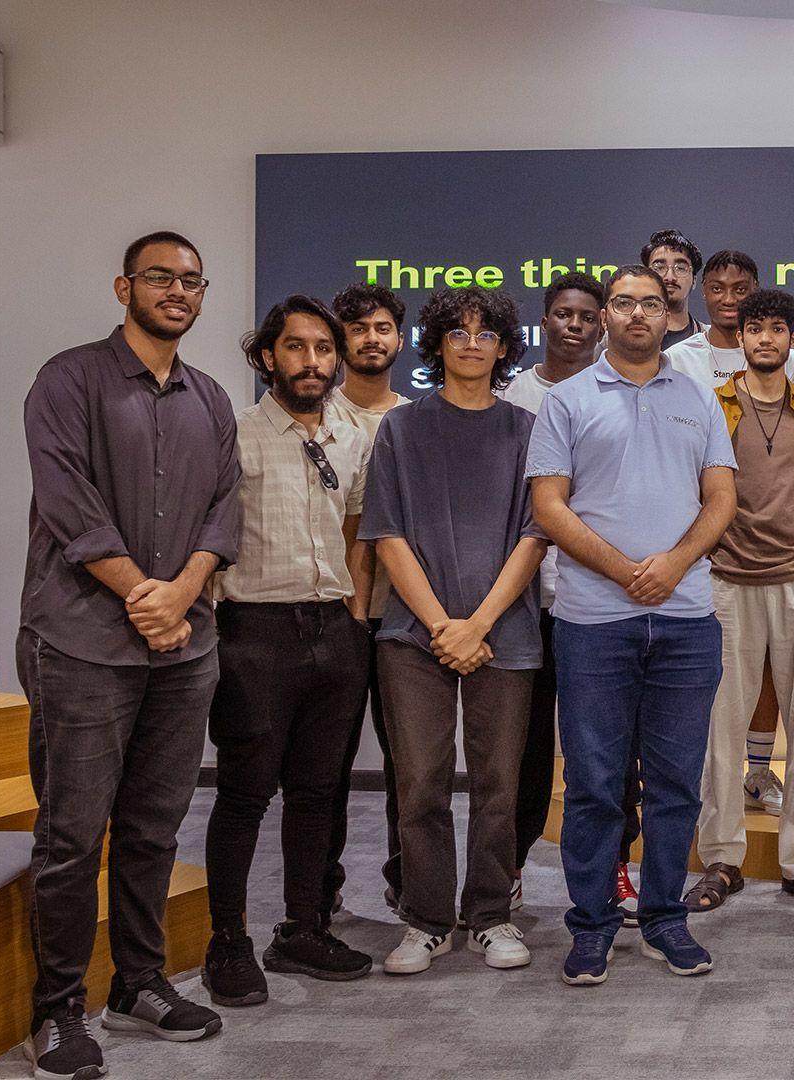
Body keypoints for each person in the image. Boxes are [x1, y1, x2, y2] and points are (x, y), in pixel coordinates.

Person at [18, 231, 234, 1078]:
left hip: (184, 648)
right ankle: (57, 1010)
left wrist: (180, 595)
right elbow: (69, 502)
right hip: (80, 644)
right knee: (72, 837)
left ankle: (138, 983)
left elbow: (224, 511)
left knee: (152, 828)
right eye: (160, 278)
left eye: (191, 281)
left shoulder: (211, 398)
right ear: (124, 287)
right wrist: (144, 597)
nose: (177, 291)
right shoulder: (67, 380)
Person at [527, 265, 735, 983]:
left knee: (677, 784)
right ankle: (589, 926)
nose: (639, 314)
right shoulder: (569, 399)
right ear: (606, 315)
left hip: (684, 618)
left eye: (652, 303)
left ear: (670, 317)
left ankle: (665, 920)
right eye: (624, 303)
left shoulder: (699, 396)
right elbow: (549, 507)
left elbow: (720, 499)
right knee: (592, 782)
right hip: (594, 622)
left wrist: (673, 564)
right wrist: (625, 570)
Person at [361, 287, 546, 976]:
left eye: (486, 332)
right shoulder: (403, 430)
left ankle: (491, 916)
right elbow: (386, 533)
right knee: (421, 783)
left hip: (506, 632)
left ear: (504, 346)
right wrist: (445, 626)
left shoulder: (528, 430)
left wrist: (481, 623)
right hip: (417, 637)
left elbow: (535, 535)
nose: (472, 342)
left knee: (500, 784)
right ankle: (427, 919)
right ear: (436, 343)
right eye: (458, 331)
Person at [201, 296, 376, 1010]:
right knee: (244, 793)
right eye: (296, 347)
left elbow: (360, 529)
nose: (313, 361)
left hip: (335, 629)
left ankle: (302, 929)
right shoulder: (232, 434)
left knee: (318, 792)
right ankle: (227, 941)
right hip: (254, 631)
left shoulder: (355, 433)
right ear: (267, 355)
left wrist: (356, 618)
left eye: (324, 349)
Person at [687, 288, 794, 913]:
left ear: (791, 339)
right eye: (755, 329)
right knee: (721, 729)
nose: (765, 340)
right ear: (741, 338)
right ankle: (722, 860)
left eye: (777, 329)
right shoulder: (712, 406)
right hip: (727, 579)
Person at [498, 271, 607, 910]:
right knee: (528, 748)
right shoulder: (514, 394)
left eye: (585, 316)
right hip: (530, 601)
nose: (574, 324)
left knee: (603, 749)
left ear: (601, 324)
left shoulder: (614, 390)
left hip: (599, 597)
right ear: (547, 320)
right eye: (562, 313)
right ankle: (509, 869)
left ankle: (609, 872)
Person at [323, 281, 412, 919]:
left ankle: (408, 884)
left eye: (382, 328)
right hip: (327, 617)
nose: (372, 339)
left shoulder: (414, 420)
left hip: (400, 618)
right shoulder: (315, 417)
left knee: (410, 766)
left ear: (400, 339)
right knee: (325, 766)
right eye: (359, 329)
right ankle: (318, 895)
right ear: (340, 341)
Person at [664, 249, 794, 392]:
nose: (729, 300)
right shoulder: (677, 359)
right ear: (704, 290)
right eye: (717, 289)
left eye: (740, 290)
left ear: (755, 290)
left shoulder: (786, 358)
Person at [642, 228, 706, 350]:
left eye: (680, 268)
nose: (670, 277)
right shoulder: (618, 336)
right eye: (659, 267)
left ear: (694, 281)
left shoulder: (710, 340)